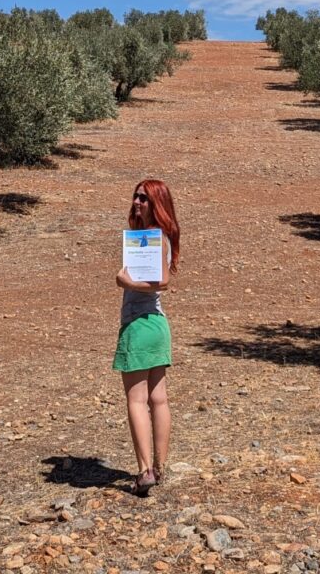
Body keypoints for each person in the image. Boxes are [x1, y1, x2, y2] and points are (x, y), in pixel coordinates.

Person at [113, 178, 180, 495]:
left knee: (137, 400)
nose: (137, 201)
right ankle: (161, 467)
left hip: (138, 326)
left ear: (156, 203)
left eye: (144, 198)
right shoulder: (157, 238)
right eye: (136, 196)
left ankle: (145, 471)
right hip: (158, 326)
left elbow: (162, 282)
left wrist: (126, 283)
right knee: (159, 399)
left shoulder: (155, 239)